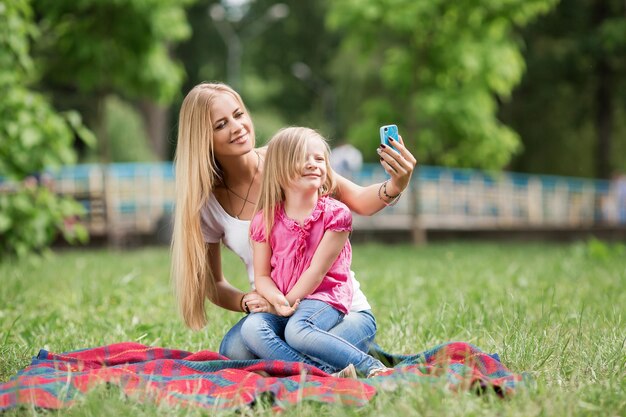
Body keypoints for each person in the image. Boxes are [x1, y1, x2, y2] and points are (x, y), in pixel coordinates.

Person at [171, 82, 416, 364]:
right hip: (274, 312)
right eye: (221, 125)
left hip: (333, 308)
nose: (237, 127)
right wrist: (245, 301)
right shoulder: (207, 204)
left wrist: (396, 184)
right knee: (235, 350)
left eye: (239, 115)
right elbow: (213, 284)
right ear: (203, 139)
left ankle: (323, 363)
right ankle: (328, 366)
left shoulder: (287, 159)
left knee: (290, 341)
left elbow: (360, 200)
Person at [242, 127, 389, 377]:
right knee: (251, 329)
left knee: (297, 332)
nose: (313, 164)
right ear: (279, 169)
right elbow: (263, 276)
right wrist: (275, 300)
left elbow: (317, 272)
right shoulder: (264, 219)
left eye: (319, 159)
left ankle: (371, 366)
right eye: (303, 157)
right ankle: (323, 374)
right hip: (285, 303)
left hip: (324, 299)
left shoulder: (335, 214)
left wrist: (284, 303)